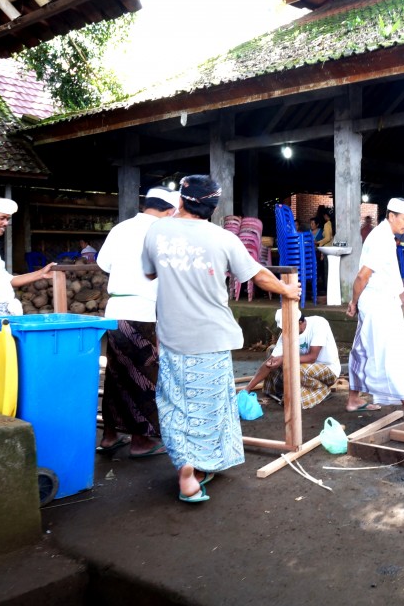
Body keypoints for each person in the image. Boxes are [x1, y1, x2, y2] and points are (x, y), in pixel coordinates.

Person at [142, 175, 301, 503]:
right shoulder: (223, 239)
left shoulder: (156, 231)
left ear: (182, 200)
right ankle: (197, 467)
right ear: (213, 207)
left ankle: (186, 465)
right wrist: (287, 289)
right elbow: (257, 274)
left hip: (172, 335)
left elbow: (149, 272)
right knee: (208, 405)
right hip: (211, 337)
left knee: (174, 402)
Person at [95, 187, 179, 458]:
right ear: (169, 212)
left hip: (115, 309)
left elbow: (103, 263)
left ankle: (110, 435)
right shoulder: (161, 232)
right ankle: (141, 441)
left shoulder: (121, 227)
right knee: (144, 376)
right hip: (142, 311)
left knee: (117, 376)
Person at [346, 197, 404, 421]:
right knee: (393, 352)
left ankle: (353, 399)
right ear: (391, 216)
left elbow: (382, 274)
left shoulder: (386, 236)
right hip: (378, 303)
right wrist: (353, 301)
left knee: (363, 348)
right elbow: (362, 276)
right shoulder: (381, 239)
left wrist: (399, 294)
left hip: (380, 301)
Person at [244, 310, 341, 410]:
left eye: (289, 328)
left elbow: (312, 357)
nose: (286, 332)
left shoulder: (319, 323)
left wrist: (284, 359)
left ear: (299, 322)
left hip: (328, 369)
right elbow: (270, 361)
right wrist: (247, 389)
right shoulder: (285, 334)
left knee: (295, 369)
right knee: (273, 356)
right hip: (303, 369)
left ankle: (322, 390)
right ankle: (294, 390)